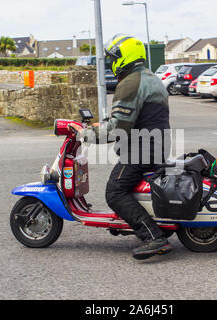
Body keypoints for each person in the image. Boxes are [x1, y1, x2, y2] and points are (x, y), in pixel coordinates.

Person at [70, 34, 172, 260]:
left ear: (124, 58)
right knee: (126, 186)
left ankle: (153, 237)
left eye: (114, 58)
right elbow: (130, 119)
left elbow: (119, 129)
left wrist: (86, 134)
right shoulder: (150, 77)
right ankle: (148, 224)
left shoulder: (130, 83)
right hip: (156, 145)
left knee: (114, 192)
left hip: (142, 150)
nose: (112, 62)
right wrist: (103, 125)